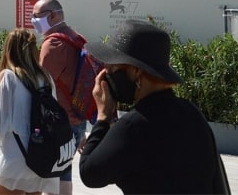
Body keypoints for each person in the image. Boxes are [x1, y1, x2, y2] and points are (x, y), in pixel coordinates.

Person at [79, 19, 229, 194]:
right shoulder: (191, 113)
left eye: (111, 67)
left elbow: (90, 173)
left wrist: (103, 116)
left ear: (136, 71)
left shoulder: (133, 126)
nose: (106, 74)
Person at [0, 28, 61, 195]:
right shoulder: (46, 78)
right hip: (40, 157)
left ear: (9, 50)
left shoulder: (8, 77)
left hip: (14, 157)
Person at [32, 0, 89, 195]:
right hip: (76, 118)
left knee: (49, 175)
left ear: (53, 15)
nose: (33, 20)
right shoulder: (75, 37)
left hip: (58, 122)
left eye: (36, 16)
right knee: (63, 170)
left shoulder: (54, 44)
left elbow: (41, 87)